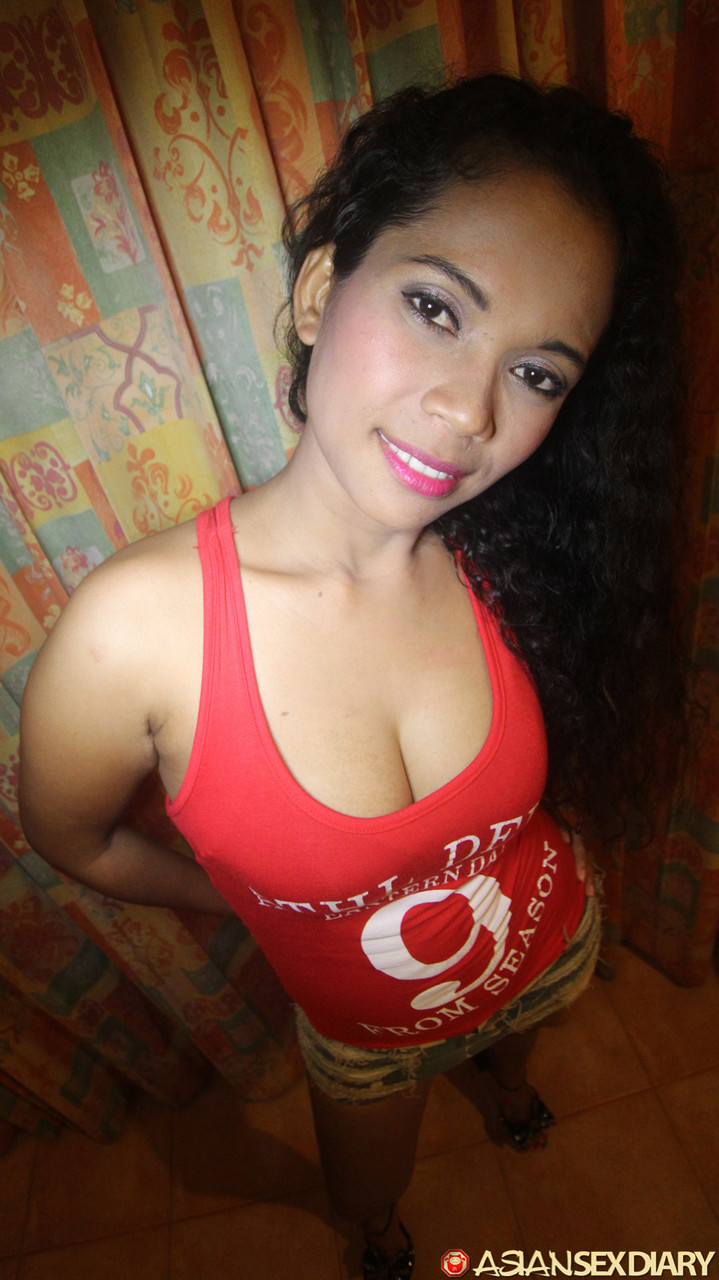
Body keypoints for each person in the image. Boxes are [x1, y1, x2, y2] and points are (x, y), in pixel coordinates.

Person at [19, 75, 684, 1280]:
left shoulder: (517, 560)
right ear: (322, 288)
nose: (468, 409)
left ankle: (507, 1086)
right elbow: (73, 838)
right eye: (435, 307)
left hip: (546, 939)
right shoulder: (134, 635)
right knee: (368, 1186)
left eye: (537, 373)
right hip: (366, 1032)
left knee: (522, 1044)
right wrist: (256, 902)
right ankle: (376, 1238)